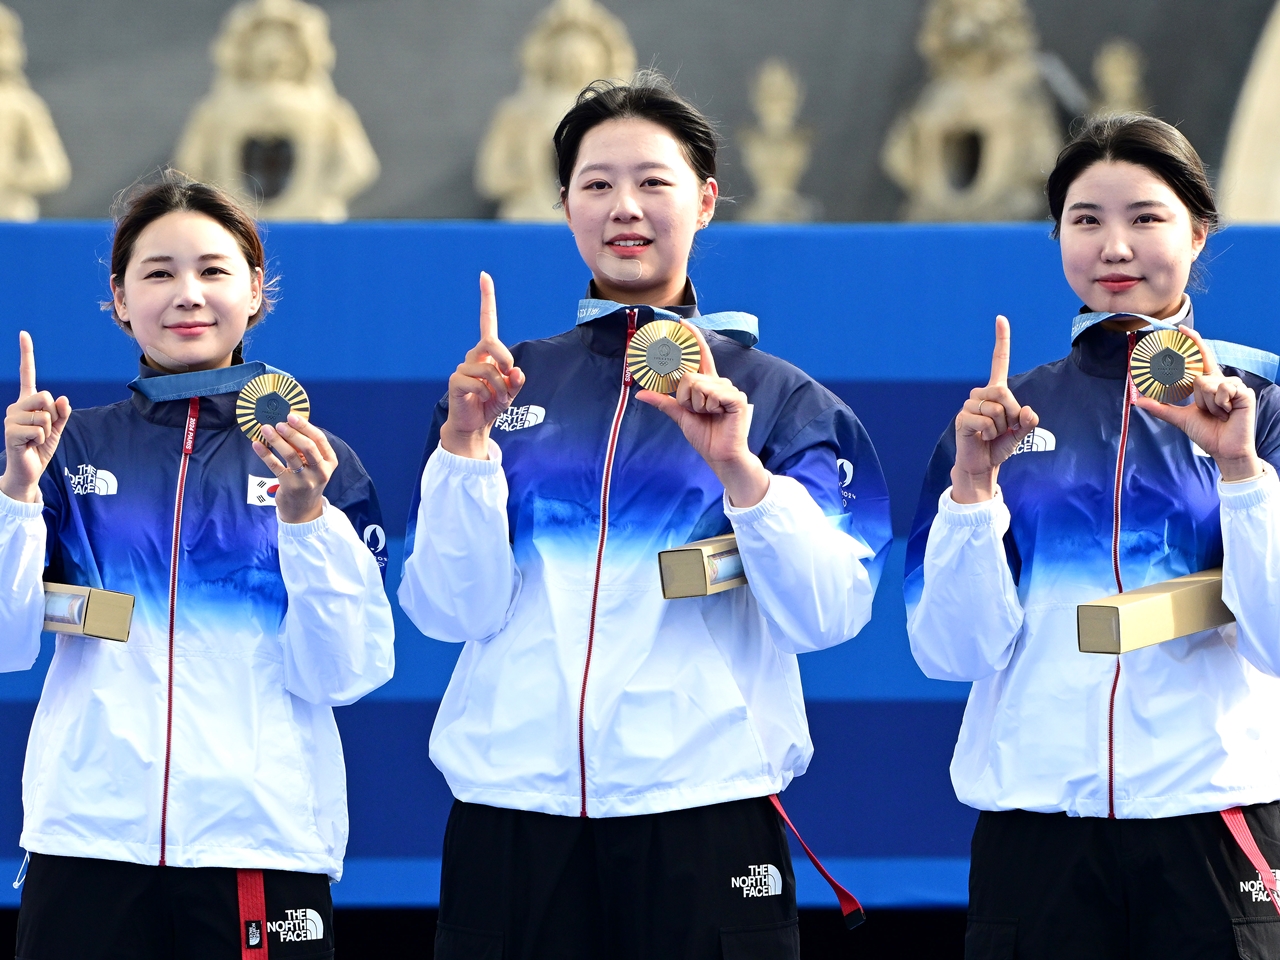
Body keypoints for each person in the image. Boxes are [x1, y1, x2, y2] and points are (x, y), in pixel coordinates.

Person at [399, 73, 891, 959]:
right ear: (565, 205)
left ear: (703, 200)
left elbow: (830, 615)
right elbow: (446, 612)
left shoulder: (782, 401)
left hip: (703, 816)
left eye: (653, 183)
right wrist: (462, 450)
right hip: (514, 816)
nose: (625, 207)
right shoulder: (501, 388)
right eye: (597, 184)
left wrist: (740, 472)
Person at [905, 113, 1280, 959]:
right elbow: (951, 651)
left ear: (1198, 230)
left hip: (1212, 821)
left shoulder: (1265, 406)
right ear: (1057, 236)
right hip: (1036, 831)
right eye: (1087, 220)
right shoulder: (1000, 417)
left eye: (1145, 218)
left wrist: (1241, 472)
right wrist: (973, 486)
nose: (1115, 247)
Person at [0, 171, 395, 960]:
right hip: (89, 841)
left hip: (258, 843)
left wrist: (307, 519)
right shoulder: (65, 449)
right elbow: (9, 647)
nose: (187, 293)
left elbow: (346, 672)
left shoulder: (319, 464)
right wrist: (14, 494)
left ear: (255, 291)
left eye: (213, 271)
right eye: (158, 272)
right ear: (118, 299)